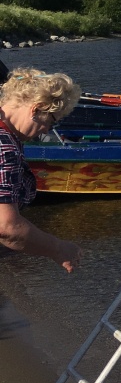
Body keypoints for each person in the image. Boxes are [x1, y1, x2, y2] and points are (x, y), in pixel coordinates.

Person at [0, 67, 83, 273]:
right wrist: (58, 249)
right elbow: (7, 227)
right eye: (51, 120)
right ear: (36, 109)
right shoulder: (4, 146)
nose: (47, 130)